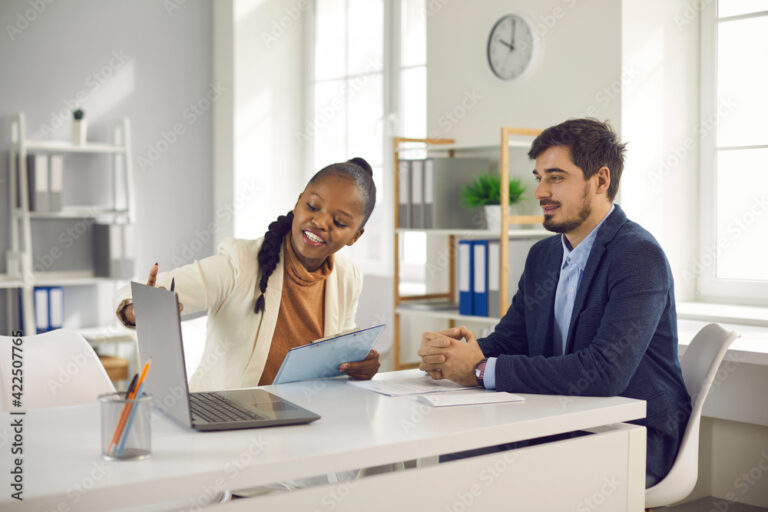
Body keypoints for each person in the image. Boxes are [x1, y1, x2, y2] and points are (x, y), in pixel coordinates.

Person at [417, 119, 691, 488]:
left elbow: (604, 372)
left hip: (633, 433)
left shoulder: (638, 256)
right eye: (539, 177)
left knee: (477, 461)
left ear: (601, 180)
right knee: (456, 446)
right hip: (564, 419)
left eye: (556, 178)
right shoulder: (543, 255)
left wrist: (480, 370)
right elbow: (512, 339)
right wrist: (456, 355)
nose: (540, 191)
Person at [115, 157, 381, 389]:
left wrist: (359, 364)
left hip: (303, 418)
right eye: (312, 206)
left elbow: (341, 348)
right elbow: (131, 294)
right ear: (298, 202)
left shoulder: (347, 276)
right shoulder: (239, 263)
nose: (320, 222)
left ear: (355, 236)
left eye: (339, 222)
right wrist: (138, 309)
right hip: (225, 416)